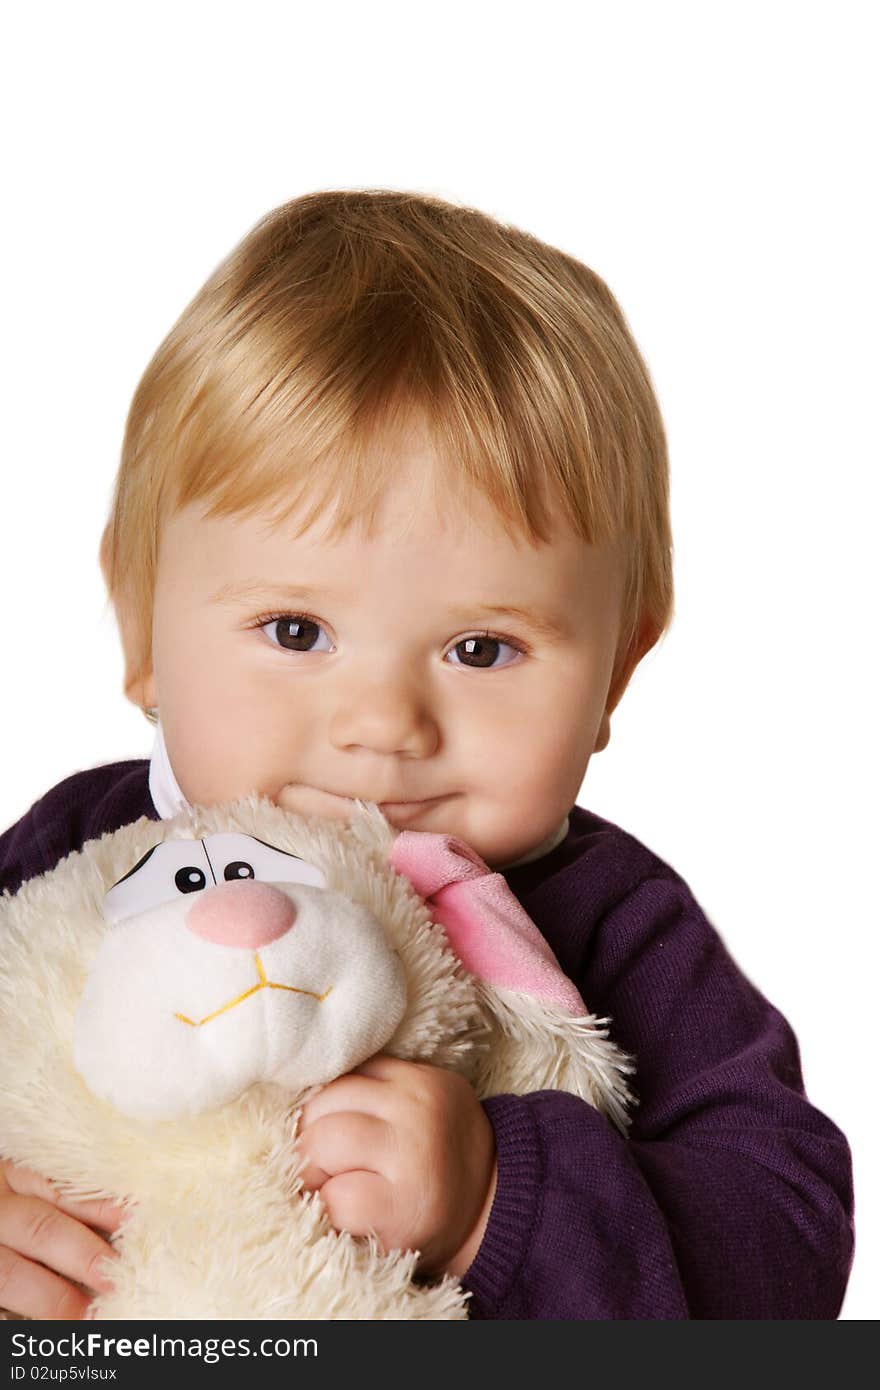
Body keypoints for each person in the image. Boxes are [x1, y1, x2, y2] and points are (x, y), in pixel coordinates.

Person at [0, 189, 854, 1320]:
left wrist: (501, 1198)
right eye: (296, 631)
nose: (385, 724)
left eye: (480, 646)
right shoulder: (79, 858)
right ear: (142, 630)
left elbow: (787, 1237)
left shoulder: (616, 925)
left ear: (620, 667)